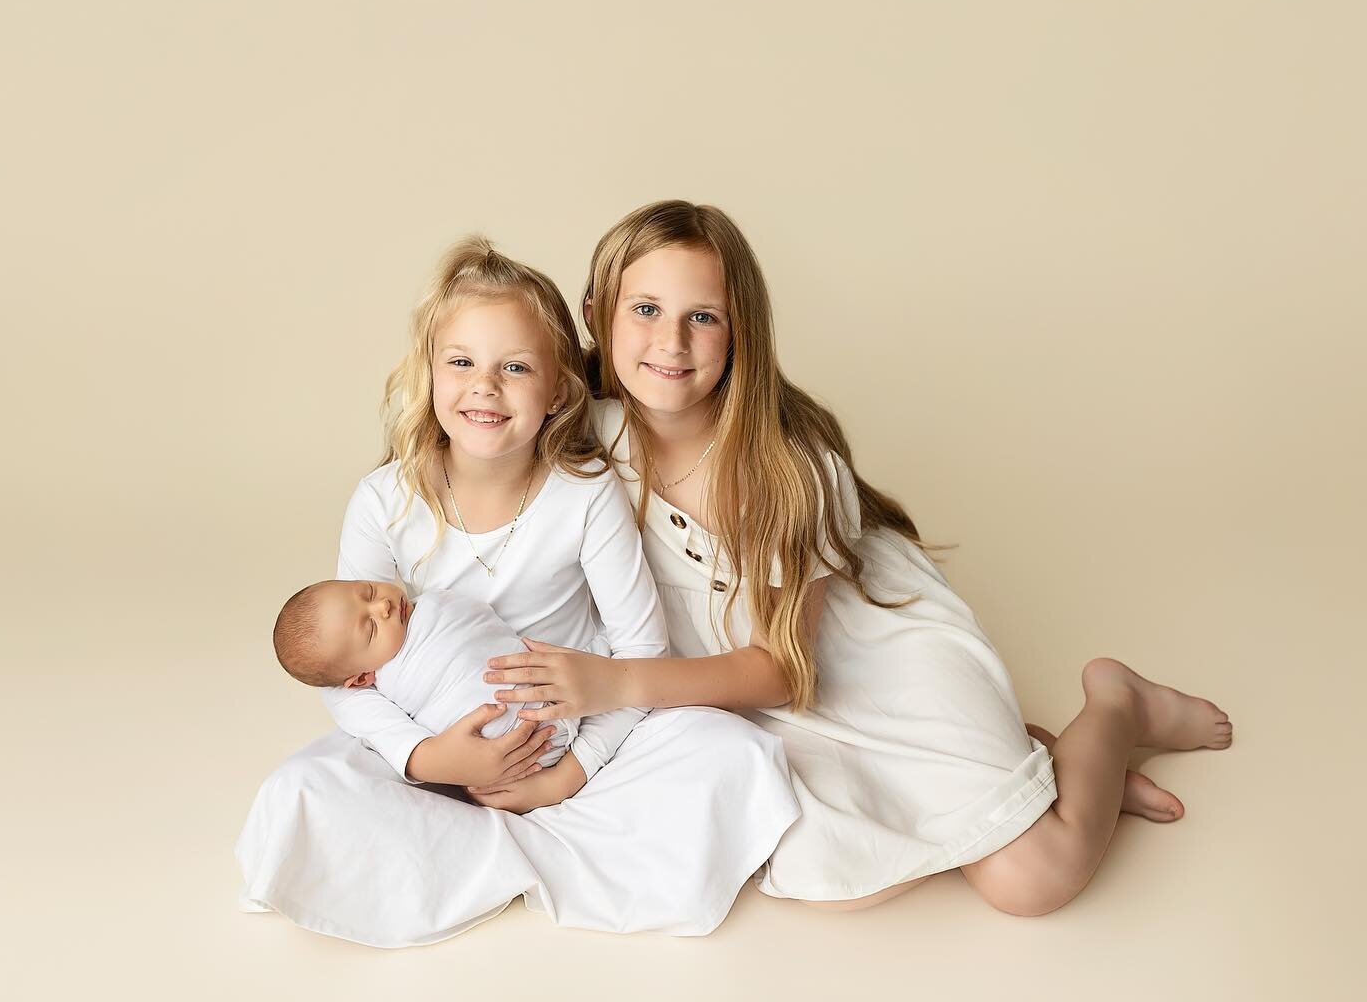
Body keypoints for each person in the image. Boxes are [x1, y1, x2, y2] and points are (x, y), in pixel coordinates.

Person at [483, 200, 1234, 915]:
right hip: (726, 689)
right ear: (595, 314)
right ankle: (1046, 768)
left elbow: (782, 668)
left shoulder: (787, 464)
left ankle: (1115, 704)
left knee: (1029, 876)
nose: (670, 342)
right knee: (837, 864)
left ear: (741, 330)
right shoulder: (574, 429)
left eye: (701, 317)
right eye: (644, 310)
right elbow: (464, 446)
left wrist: (614, 683)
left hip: (849, 654)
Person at [236, 235, 799, 947]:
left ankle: (522, 831)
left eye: (516, 367)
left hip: (575, 730)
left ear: (559, 389)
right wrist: (429, 758)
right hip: (436, 741)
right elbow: (346, 677)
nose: (485, 387)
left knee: (730, 751)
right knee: (302, 792)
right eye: (462, 363)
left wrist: (568, 773)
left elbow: (638, 651)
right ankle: (476, 831)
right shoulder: (385, 500)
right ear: (430, 373)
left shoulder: (585, 496)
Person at [273, 581, 580, 775]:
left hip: (558, 692)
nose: (383, 606)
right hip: (514, 750)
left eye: (368, 591)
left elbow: (483, 623)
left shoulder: (432, 600)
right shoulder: (384, 686)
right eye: (371, 628)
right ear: (362, 677)